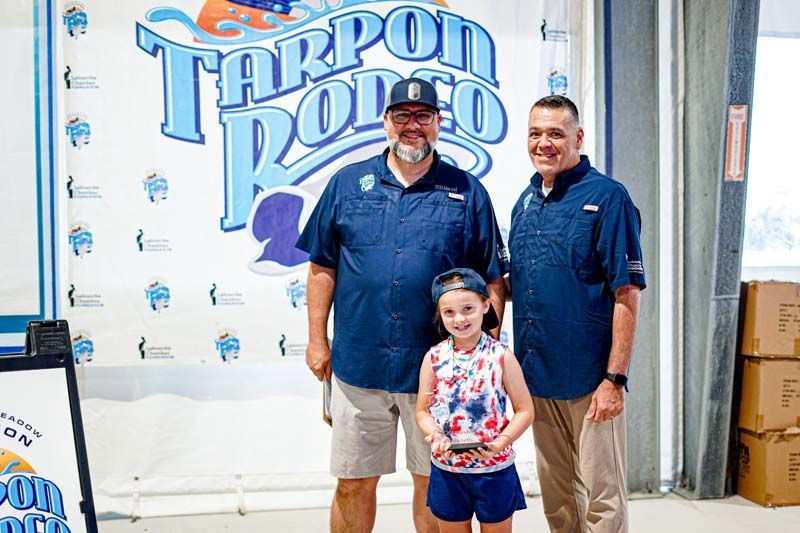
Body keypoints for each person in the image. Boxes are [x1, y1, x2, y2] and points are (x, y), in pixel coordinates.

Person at [296, 78, 508, 533]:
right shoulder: (347, 184)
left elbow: (492, 278)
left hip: (437, 371)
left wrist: (483, 357)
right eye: (402, 116)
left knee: (435, 486)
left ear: (439, 123)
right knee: (353, 483)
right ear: (386, 121)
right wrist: (317, 340)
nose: (413, 127)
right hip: (359, 364)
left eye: (423, 117)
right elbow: (322, 268)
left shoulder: (467, 191)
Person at [508, 95, 645, 533]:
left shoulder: (608, 198)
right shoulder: (525, 204)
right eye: (535, 133)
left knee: (603, 502)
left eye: (555, 134)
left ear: (578, 138)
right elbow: (525, 283)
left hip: (591, 382)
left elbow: (627, 292)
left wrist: (615, 380)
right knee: (559, 499)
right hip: (538, 380)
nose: (543, 143)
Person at [416, 268, 533, 533]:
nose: (459, 318)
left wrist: (501, 442)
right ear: (439, 313)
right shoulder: (433, 358)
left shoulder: (501, 356)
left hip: (494, 470)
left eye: (468, 308)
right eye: (449, 312)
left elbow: (525, 410)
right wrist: (435, 434)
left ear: (486, 305)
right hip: (448, 470)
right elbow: (422, 411)